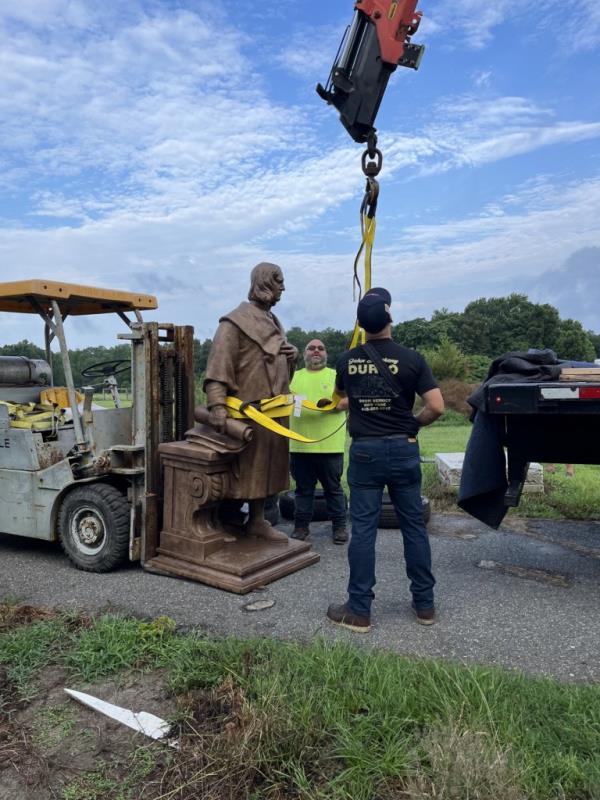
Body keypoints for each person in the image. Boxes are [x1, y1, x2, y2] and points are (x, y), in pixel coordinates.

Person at [326, 288, 444, 631]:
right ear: (390, 318)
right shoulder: (412, 358)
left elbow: (341, 399)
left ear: (360, 325)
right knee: (413, 528)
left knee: (362, 530)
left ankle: (359, 610)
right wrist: (413, 424)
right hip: (403, 447)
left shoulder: (347, 361)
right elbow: (436, 406)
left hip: (365, 451)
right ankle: (425, 606)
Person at [203, 262, 298, 542]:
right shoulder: (234, 323)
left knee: (267, 472)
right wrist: (217, 405)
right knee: (239, 471)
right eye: (278, 281)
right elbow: (219, 367)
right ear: (264, 283)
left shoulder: (273, 321)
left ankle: (257, 520)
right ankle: (225, 521)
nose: (283, 287)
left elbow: (273, 364)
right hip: (246, 414)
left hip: (272, 412)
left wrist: (289, 358)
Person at [289, 339, 349, 543]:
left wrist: (337, 405)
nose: (316, 351)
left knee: (333, 490)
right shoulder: (292, 377)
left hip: (330, 446)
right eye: (311, 348)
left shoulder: (336, 375)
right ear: (304, 354)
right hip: (299, 445)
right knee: (303, 490)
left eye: (321, 348)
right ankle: (301, 528)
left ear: (326, 354)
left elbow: (353, 397)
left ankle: (340, 528)